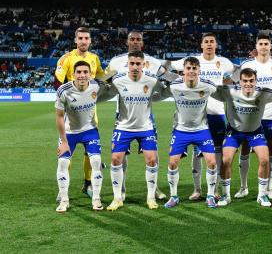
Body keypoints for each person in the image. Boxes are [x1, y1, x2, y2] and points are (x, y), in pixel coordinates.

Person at [99, 30, 174, 202]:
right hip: (123, 114)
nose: (135, 42)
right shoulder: (116, 62)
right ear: (127, 42)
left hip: (146, 115)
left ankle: (154, 189)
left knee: (152, 154)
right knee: (120, 154)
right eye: (132, 39)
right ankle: (122, 190)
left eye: (138, 39)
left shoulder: (153, 62)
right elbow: (105, 81)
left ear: (142, 43)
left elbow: (167, 76)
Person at [169, 32, 234, 200]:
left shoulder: (224, 62)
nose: (209, 44)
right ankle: (197, 189)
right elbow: (168, 66)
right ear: (201, 45)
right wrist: (179, 79)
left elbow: (236, 74)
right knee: (197, 152)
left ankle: (215, 189)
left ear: (216, 45)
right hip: (198, 116)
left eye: (212, 41)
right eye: (206, 41)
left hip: (217, 112)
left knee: (216, 153)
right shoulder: (193, 60)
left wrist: (226, 84)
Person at [235, 33, 272, 200]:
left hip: (271, 114)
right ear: (256, 46)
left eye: (266, 43)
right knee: (244, 148)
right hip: (250, 114)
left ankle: (269, 188)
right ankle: (243, 187)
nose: (264, 46)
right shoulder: (247, 64)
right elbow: (234, 80)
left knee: (270, 151)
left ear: (270, 46)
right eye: (261, 43)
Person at [212, 68, 272, 207]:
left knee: (265, 159)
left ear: (256, 81)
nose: (248, 84)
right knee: (226, 159)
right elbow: (210, 90)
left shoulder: (265, 93)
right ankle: (226, 195)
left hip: (255, 131)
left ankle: (262, 195)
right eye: (245, 81)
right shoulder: (229, 91)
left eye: (251, 80)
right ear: (239, 81)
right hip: (234, 132)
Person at [54, 27, 105, 199]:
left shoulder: (94, 58)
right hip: (71, 114)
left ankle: (88, 184)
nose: (83, 41)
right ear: (75, 40)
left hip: (90, 114)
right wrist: (65, 103)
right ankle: (63, 191)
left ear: (90, 41)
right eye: (80, 38)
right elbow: (57, 82)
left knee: (89, 153)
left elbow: (101, 78)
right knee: (65, 151)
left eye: (86, 38)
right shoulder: (66, 58)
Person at [164, 57, 218, 208]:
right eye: (189, 68)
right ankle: (174, 196)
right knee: (173, 162)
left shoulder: (208, 86)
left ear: (199, 70)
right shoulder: (175, 86)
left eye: (194, 69)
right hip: (181, 130)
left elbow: (222, 94)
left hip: (201, 129)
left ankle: (210, 195)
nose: (191, 71)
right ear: (183, 70)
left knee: (212, 162)